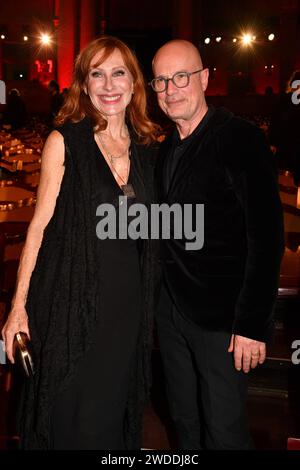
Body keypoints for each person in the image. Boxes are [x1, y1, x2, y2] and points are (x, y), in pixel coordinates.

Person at [1, 36, 159, 450]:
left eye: (118, 72)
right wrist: (17, 309)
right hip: (70, 306)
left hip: (127, 313)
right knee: (71, 419)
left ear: (134, 83)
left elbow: (153, 233)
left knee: (111, 420)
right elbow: (38, 228)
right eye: (97, 74)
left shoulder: (146, 149)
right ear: (84, 85)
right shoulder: (64, 141)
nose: (109, 84)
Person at [151, 39, 285, 449]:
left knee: (224, 430)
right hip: (170, 312)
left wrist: (250, 324)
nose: (171, 89)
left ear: (204, 78)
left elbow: (267, 236)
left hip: (223, 321)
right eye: (160, 81)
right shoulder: (164, 149)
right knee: (184, 420)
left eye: (181, 77)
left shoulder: (239, 137)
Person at [269, 70, 300, 186]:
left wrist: (273, 143)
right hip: (289, 150)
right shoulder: (285, 101)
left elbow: (274, 125)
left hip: (285, 150)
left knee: (285, 185)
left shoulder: (284, 100)